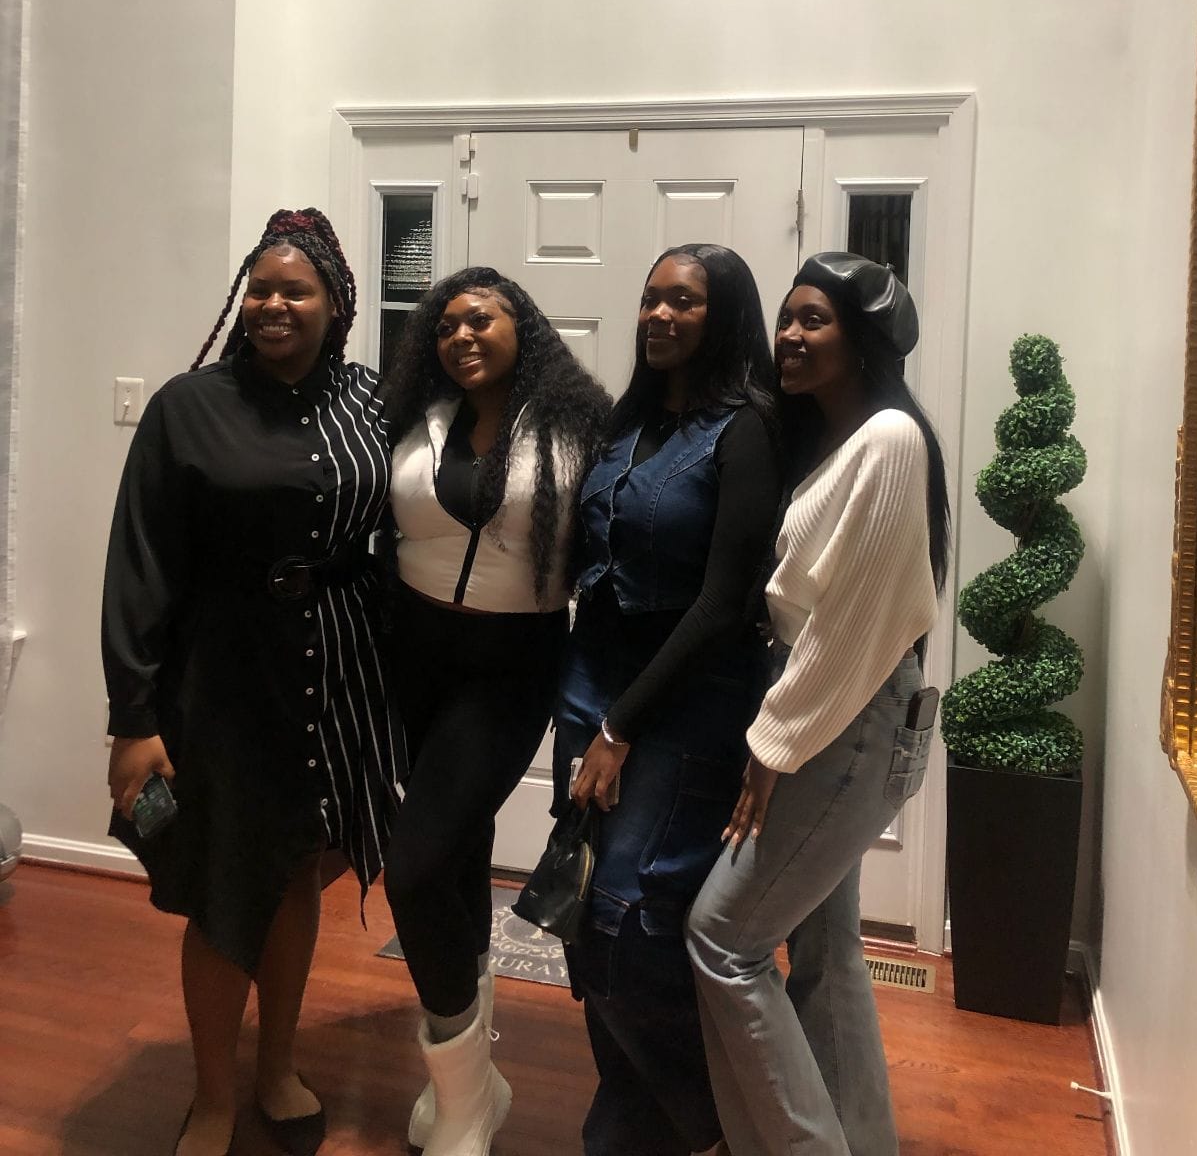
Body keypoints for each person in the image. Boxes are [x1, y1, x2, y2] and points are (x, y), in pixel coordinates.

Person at [102, 208, 402, 1156]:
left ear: (335, 303)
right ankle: (213, 1095)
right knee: (223, 884)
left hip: (338, 669)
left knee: (298, 871)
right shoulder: (186, 406)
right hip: (221, 680)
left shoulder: (372, 399)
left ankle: (277, 1066)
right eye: (261, 289)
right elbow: (140, 563)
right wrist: (133, 717)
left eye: (296, 291)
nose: (274, 304)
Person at [685, 251, 951, 1156]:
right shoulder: (838, 440)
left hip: (845, 716)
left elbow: (854, 625)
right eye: (787, 318)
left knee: (721, 939)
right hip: (832, 710)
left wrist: (773, 744)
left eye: (815, 320)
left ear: (863, 339)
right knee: (828, 948)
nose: (790, 336)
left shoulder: (891, 439)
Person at [558, 243, 781, 1156]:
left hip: (685, 705)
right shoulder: (630, 421)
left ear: (723, 315)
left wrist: (621, 725)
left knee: (631, 925)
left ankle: (708, 1128)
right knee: (579, 909)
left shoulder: (747, 430)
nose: (658, 315)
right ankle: (626, 1121)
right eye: (651, 298)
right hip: (592, 690)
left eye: (683, 301)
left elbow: (724, 604)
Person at [381, 266, 610, 1156]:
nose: (461, 336)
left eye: (480, 319)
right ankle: (473, 1081)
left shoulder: (577, 425)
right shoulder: (416, 417)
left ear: (525, 327)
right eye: (445, 326)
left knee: (414, 866)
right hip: (413, 661)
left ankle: (467, 1097)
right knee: (455, 856)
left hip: (510, 668)